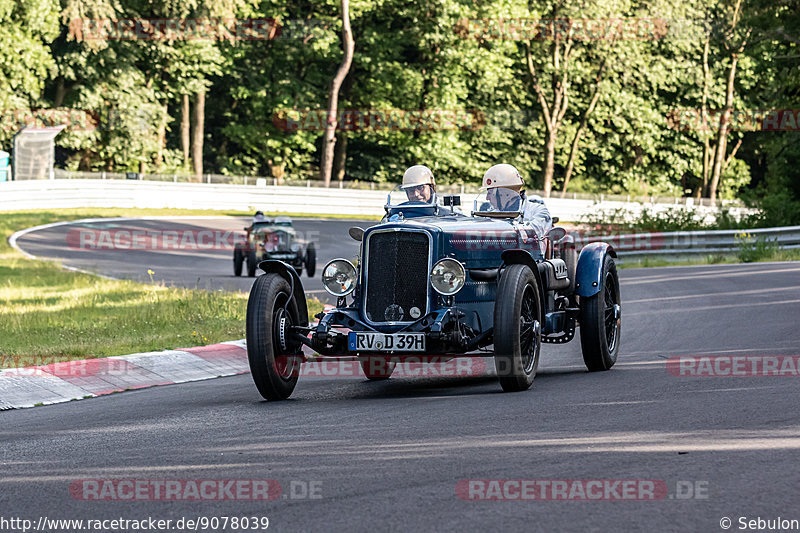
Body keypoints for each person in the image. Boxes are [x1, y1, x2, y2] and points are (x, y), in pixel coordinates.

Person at [481, 163, 553, 237]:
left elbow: (535, 231)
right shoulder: (490, 214)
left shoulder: (538, 211)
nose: (487, 198)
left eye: (490, 193)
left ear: (505, 194)